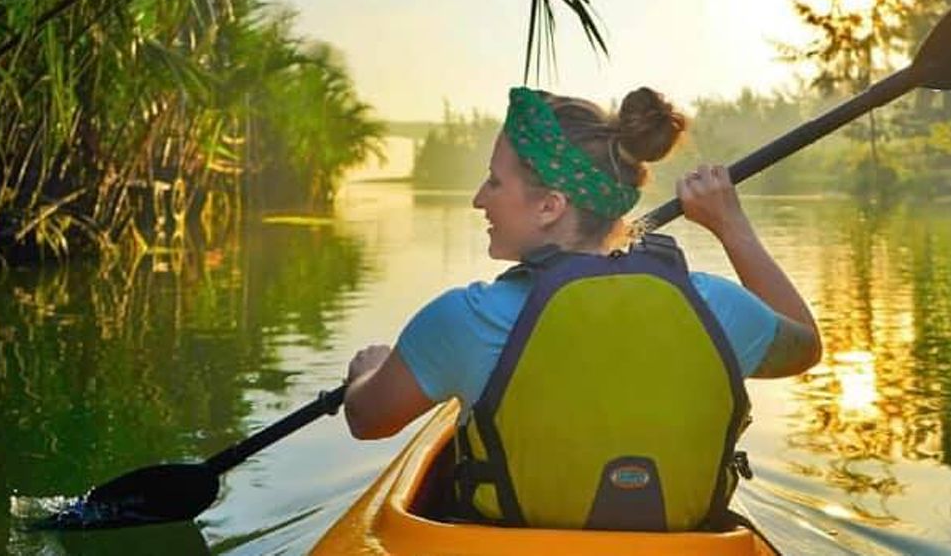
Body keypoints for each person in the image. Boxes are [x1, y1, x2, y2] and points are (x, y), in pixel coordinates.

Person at [343, 86, 820, 531]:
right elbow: (805, 345)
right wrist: (731, 225)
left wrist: (370, 370)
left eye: (494, 182)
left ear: (550, 206)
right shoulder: (717, 307)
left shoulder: (464, 322)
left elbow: (367, 419)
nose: (478, 199)